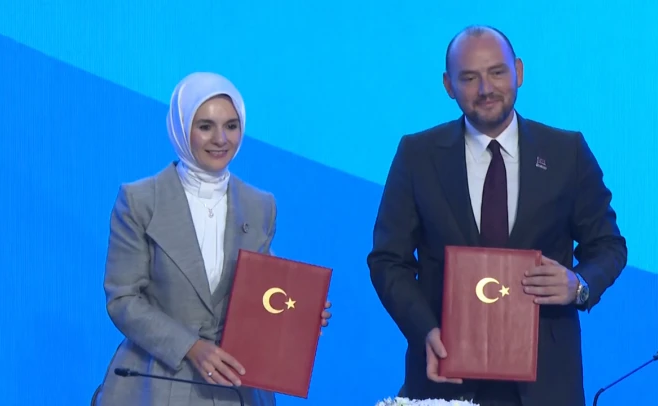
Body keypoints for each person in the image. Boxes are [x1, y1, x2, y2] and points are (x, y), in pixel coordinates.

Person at [367, 26, 626, 406]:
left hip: (546, 381)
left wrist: (579, 285)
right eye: (469, 78)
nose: (485, 89)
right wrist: (425, 331)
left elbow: (607, 246)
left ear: (518, 71)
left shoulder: (566, 151)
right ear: (448, 85)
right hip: (446, 373)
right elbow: (388, 260)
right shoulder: (417, 155)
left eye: (497, 72)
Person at [94, 72, 332, 406]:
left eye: (231, 126)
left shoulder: (260, 205)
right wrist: (191, 347)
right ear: (181, 127)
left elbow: (262, 293)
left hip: (237, 386)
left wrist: (300, 313)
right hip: (157, 383)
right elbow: (123, 299)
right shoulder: (140, 201)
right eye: (205, 126)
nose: (221, 139)